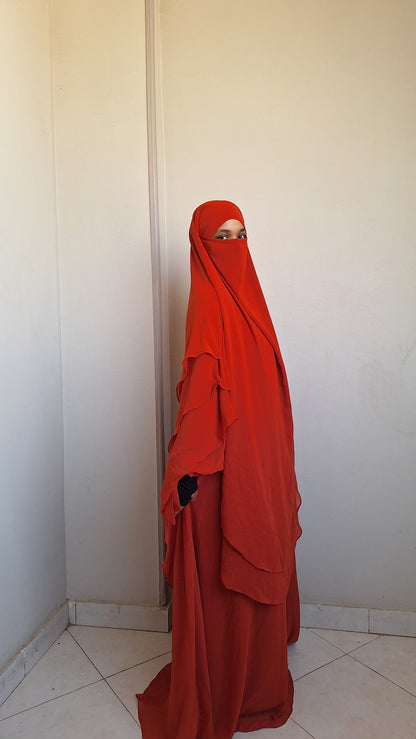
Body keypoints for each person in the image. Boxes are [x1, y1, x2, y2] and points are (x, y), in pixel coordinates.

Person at [137, 200, 302, 739]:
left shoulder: (249, 301)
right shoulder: (210, 304)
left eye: (241, 234)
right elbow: (203, 393)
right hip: (218, 471)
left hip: (258, 463)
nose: (234, 246)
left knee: (246, 554)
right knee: (224, 576)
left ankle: (252, 681)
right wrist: (187, 469)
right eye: (222, 237)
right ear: (202, 247)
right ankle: (240, 685)